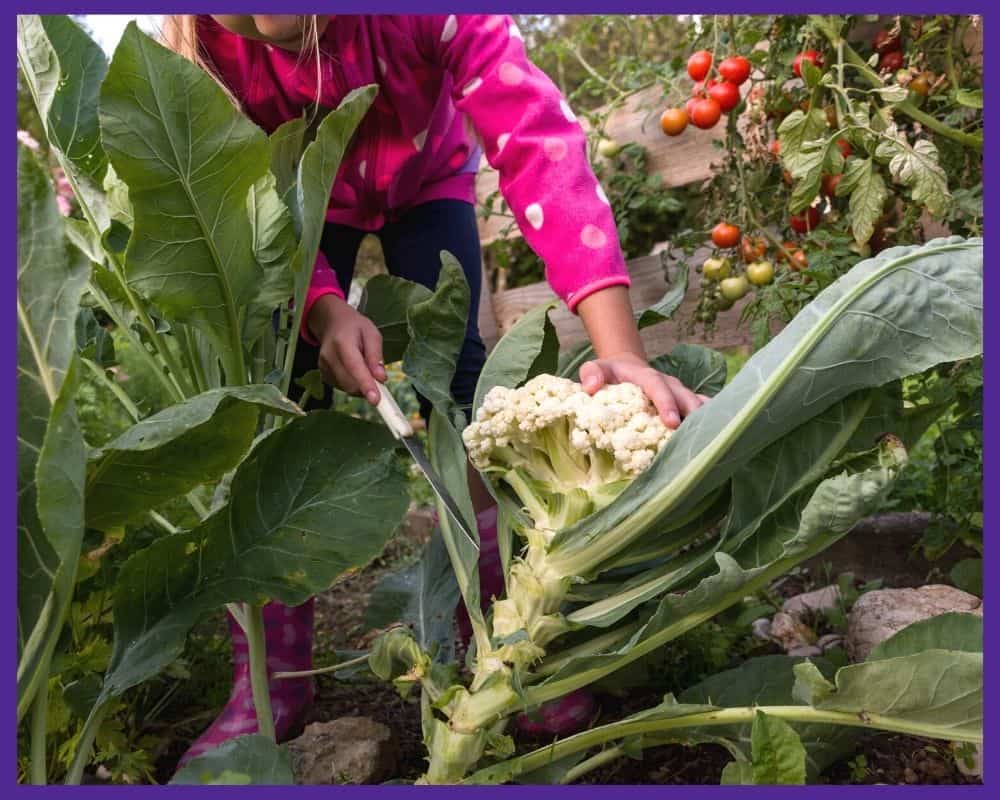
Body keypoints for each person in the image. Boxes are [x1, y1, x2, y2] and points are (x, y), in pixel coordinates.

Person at [163, 13, 707, 767]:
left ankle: (499, 637)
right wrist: (324, 308)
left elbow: (537, 141)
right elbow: (251, 193)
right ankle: (270, 677)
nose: (260, 21)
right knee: (279, 389)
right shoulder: (212, 52)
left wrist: (621, 352)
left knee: (456, 380)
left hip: (430, 182)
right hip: (298, 212)